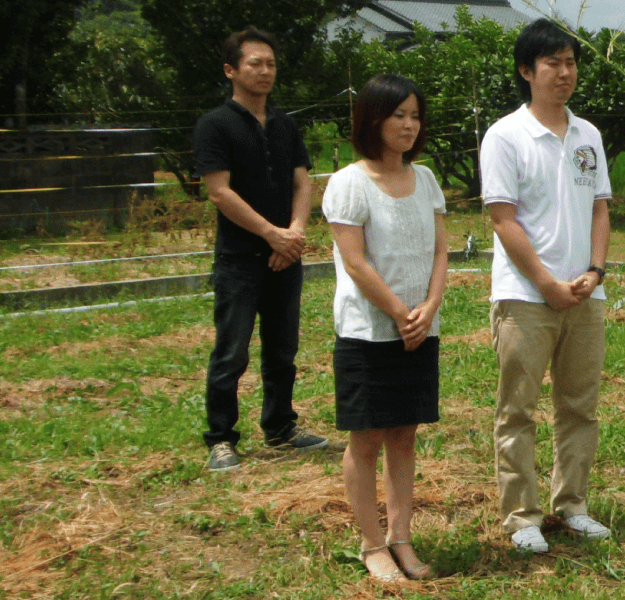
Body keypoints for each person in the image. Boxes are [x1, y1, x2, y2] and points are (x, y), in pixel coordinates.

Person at [479, 18, 615, 554]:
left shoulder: (589, 135)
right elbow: (502, 218)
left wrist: (594, 272)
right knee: (518, 408)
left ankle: (572, 505)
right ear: (526, 70)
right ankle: (520, 516)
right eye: (552, 63)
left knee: (580, 405)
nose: (564, 72)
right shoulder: (506, 135)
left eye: (571, 62)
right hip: (524, 296)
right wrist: (546, 282)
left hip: (585, 294)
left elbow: (600, 209)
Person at [324, 74, 448, 583]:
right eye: (398, 114)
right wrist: (399, 312)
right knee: (367, 438)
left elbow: (441, 250)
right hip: (369, 331)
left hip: (421, 326)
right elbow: (355, 263)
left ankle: (401, 537)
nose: (407, 125)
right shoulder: (348, 183)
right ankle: (371, 543)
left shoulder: (428, 180)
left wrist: (430, 305)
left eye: (414, 115)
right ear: (372, 119)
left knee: (404, 434)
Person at [193, 27, 328, 472]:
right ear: (232, 70)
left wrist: (295, 232)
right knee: (231, 351)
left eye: (270, 63)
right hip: (240, 259)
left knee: (282, 349)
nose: (265, 71)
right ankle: (221, 438)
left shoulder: (286, 125)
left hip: (284, 255)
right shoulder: (215, 125)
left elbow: (302, 182)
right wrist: (272, 234)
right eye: (255, 63)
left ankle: (281, 427)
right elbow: (219, 192)